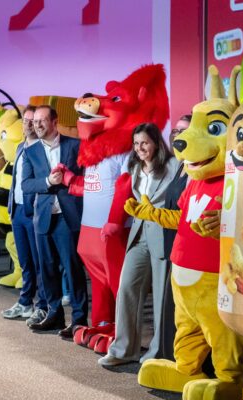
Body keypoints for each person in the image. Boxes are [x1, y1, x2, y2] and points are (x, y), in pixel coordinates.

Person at [98, 122, 178, 366]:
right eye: (136, 143)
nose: (140, 148)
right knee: (127, 288)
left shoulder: (173, 166)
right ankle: (123, 350)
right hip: (139, 233)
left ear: (156, 143)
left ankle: (158, 353)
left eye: (144, 143)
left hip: (162, 233)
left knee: (162, 298)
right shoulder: (134, 167)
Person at [21, 105, 88, 338]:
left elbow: (87, 177)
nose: (37, 125)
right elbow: (26, 185)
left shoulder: (75, 145)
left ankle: (79, 320)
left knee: (72, 269)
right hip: (43, 218)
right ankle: (54, 314)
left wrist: (69, 180)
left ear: (54, 122)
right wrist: (48, 182)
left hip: (68, 217)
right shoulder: (30, 152)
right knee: (47, 270)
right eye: (34, 121)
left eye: (42, 120)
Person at [1, 105, 48, 324]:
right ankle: (25, 302)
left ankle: (43, 306)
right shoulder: (20, 147)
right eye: (25, 120)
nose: (28, 124)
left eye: (32, 120)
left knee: (39, 263)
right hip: (18, 211)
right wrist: (12, 207)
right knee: (25, 262)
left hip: (34, 212)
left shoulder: (42, 149)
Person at [156, 114, 191, 361]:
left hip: (188, 249)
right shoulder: (180, 164)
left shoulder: (197, 169)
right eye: (176, 131)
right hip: (173, 245)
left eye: (184, 130)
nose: (178, 135)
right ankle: (171, 358)